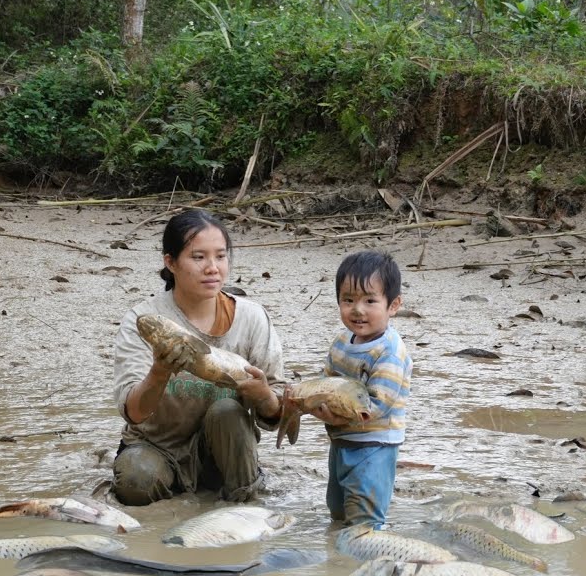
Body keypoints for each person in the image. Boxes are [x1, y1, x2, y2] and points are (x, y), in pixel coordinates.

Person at [110, 208, 285, 506]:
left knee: (228, 411)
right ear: (171, 262)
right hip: (156, 447)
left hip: (224, 452)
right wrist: (159, 371)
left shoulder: (252, 318)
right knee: (135, 481)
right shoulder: (144, 319)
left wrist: (264, 396)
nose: (212, 267)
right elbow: (134, 412)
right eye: (198, 257)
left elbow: (276, 414)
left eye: (220, 256)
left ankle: (243, 498)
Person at [305, 249, 412, 528]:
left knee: (366, 516)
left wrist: (335, 416)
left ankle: (367, 557)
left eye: (370, 300)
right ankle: (338, 554)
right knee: (338, 507)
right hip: (341, 440)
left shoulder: (389, 351)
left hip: (374, 444)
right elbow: (325, 382)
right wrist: (314, 404)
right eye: (348, 300)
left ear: (393, 305)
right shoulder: (342, 342)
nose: (358, 309)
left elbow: (376, 405)